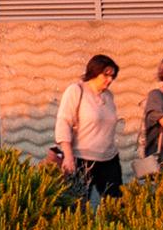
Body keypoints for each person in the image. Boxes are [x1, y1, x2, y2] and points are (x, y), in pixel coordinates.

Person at [53, 52, 126, 202]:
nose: (110, 80)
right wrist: (68, 157)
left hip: (109, 159)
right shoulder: (76, 90)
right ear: (94, 72)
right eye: (106, 75)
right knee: (77, 206)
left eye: (112, 76)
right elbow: (64, 122)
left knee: (116, 205)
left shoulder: (109, 96)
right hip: (82, 160)